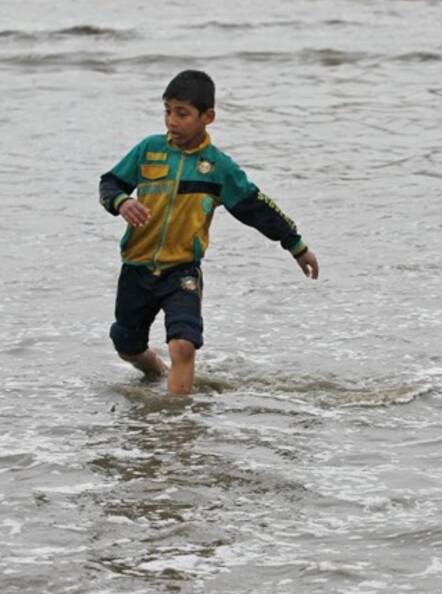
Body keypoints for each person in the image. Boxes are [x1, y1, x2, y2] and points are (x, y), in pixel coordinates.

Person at [99, 70, 319, 394]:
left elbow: (256, 208)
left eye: (182, 113)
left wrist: (296, 246)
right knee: (127, 346)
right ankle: (157, 371)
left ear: (208, 116)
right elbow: (110, 183)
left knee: (184, 346)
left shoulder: (218, 168)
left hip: (182, 269)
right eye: (167, 111)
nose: (171, 121)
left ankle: (177, 425)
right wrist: (120, 202)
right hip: (137, 266)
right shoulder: (148, 150)